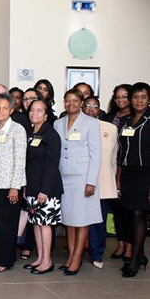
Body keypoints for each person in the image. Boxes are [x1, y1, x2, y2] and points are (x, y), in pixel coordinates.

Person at [53, 89, 101, 276]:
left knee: (82, 220)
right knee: (69, 220)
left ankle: (77, 258)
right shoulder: (58, 123)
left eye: (75, 100)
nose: (71, 104)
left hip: (82, 178)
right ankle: (71, 255)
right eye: (68, 101)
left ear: (81, 102)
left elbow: (96, 154)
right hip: (64, 176)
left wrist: (91, 182)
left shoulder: (91, 123)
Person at [23, 99, 63, 275]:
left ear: (46, 115)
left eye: (39, 111)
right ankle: (40, 257)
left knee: (45, 224)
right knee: (36, 224)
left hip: (47, 189)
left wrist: (44, 190)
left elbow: (52, 164)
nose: (35, 113)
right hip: (32, 187)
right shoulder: (32, 133)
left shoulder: (51, 134)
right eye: (32, 110)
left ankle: (47, 260)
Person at [0, 93, 28, 273]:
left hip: (10, 185)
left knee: (8, 224)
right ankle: (7, 257)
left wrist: (15, 187)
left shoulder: (17, 129)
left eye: (5, 107)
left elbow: (20, 160)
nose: (1, 110)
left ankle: (4, 261)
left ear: (12, 109)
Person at [116, 82, 150, 277]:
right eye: (135, 97)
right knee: (130, 214)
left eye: (143, 97)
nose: (139, 101)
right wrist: (119, 178)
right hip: (128, 174)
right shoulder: (126, 120)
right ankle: (141, 254)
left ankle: (135, 260)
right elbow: (122, 152)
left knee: (139, 215)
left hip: (146, 174)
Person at [83, 96, 118, 268]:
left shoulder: (110, 129)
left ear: (100, 109)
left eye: (94, 106)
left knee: (99, 220)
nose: (91, 109)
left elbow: (114, 159)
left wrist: (115, 181)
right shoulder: (75, 127)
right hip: (79, 181)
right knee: (79, 220)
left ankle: (97, 253)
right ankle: (77, 250)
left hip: (102, 181)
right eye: (87, 106)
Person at [103, 84, 133, 261]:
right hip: (110, 168)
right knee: (117, 210)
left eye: (124, 96)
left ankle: (130, 245)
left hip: (128, 168)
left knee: (129, 210)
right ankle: (121, 243)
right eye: (118, 97)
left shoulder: (135, 118)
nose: (121, 100)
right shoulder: (110, 117)